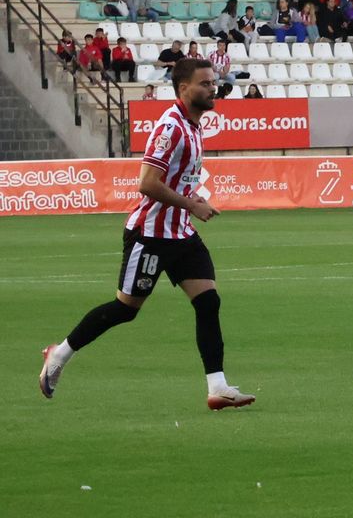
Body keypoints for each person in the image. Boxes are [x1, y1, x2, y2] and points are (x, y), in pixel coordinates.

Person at [39, 57, 254, 410]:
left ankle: (217, 386)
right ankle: (59, 353)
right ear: (183, 88)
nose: (212, 87)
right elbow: (147, 184)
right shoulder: (170, 127)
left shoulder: (194, 125)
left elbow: (176, 179)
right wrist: (191, 204)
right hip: (150, 234)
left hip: (180, 233)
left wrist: (193, 197)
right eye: (205, 83)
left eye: (213, 82)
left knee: (208, 301)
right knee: (125, 310)